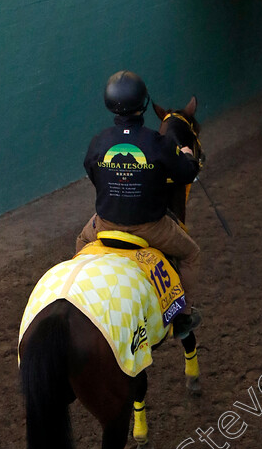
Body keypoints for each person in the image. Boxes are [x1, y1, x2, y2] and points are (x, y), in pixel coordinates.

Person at [76, 70, 202, 338]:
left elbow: (92, 172)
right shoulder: (159, 143)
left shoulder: (99, 141)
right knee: (192, 255)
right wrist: (189, 156)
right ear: (144, 103)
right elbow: (186, 174)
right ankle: (184, 317)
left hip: (104, 224)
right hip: (150, 227)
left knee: (80, 242)